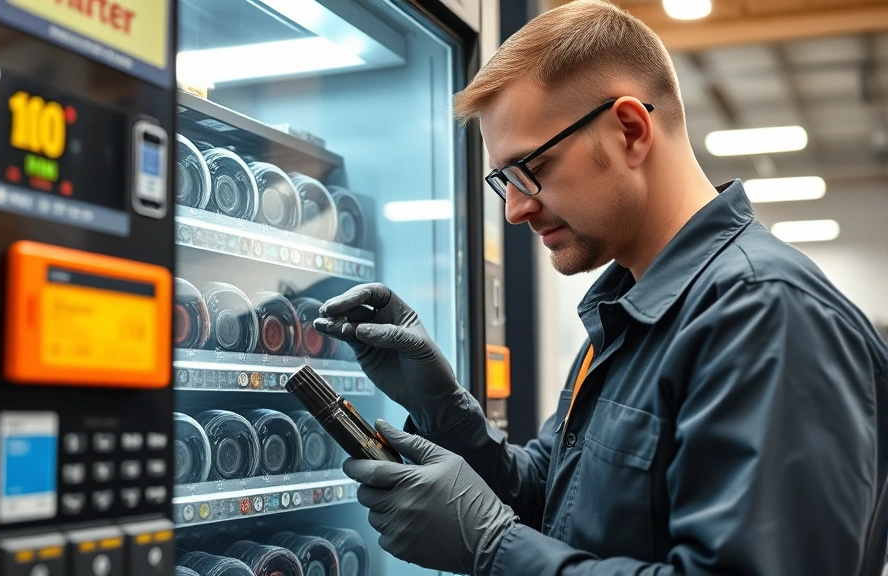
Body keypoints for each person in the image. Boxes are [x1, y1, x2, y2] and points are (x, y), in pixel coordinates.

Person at [312, 1, 888, 575]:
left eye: (529, 168)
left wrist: (492, 549)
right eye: (502, 181)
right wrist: (445, 411)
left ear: (630, 130)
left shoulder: (765, 314)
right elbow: (555, 497)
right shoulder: (626, 314)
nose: (514, 210)